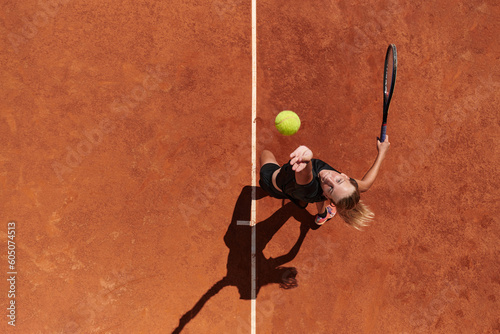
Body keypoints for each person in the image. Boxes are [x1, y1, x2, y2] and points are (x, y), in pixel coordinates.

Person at [259, 137, 390, 230]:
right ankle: (322, 215)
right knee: (319, 194)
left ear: (328, 197)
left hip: (271, 181)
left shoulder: (309, 187)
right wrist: (382, 153)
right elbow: (366, 184)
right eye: (339, 180)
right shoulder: (327, 190)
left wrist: (307, 158)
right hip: (301, 192)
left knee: (266, 153)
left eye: (331, 189)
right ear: (345, 176)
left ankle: (322, 213)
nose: (329, 179)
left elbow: (306, 173)